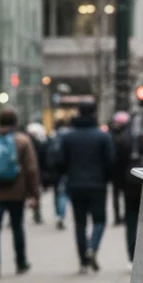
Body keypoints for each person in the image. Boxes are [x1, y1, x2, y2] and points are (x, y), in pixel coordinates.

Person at [0, 108, 40, 279]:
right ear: (15, 122)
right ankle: (21, 262)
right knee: (17, 227)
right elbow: (31, 169)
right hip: (16, 192)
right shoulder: (23, 141)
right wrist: (34, 194)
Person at [56, 101, 115, 272]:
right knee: (99, 220)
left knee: (80, 223)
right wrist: (106, 178)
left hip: (75, 184)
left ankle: (82, 261)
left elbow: (60, 161)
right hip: (97, 184)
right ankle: (92, 247)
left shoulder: (68, 136)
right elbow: (110, 161)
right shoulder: (102, 136)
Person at [109, 112, 132, 226]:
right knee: (124, 194)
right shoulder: (129, 135)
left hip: (115, 169)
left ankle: (118, 216)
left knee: (116, 193)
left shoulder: (111, 135)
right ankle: (125, 215)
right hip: (126, 169)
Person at [49, 119, 72, 231]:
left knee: (57, 194)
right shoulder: (69, 136)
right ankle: (61, 215)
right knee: (63, 194)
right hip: (67, 170)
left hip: (55, 171)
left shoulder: (54, 137)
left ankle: (58, 214)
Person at [26, 123, 49, 225]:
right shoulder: (40, 143)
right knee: (36, 193)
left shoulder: (23, 142)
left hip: (24, 172)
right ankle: (37, 214)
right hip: (36, 171)